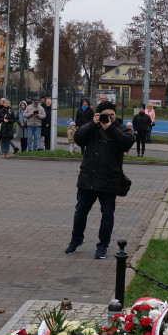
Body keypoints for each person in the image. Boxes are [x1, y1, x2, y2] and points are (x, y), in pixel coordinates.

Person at [64, 101, 135, 259]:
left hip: (110, 179)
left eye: (111, 115)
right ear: (98, 115)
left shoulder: (122, 129)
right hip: (88, 177)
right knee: (80, 212)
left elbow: (127, 143)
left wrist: (109, 127)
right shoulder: (92, 128)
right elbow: (79, 139)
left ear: (115, 115)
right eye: (105, 115)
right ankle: (76, 241)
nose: (108, 117)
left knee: (107, 215)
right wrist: (92, 123)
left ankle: (102, 246)